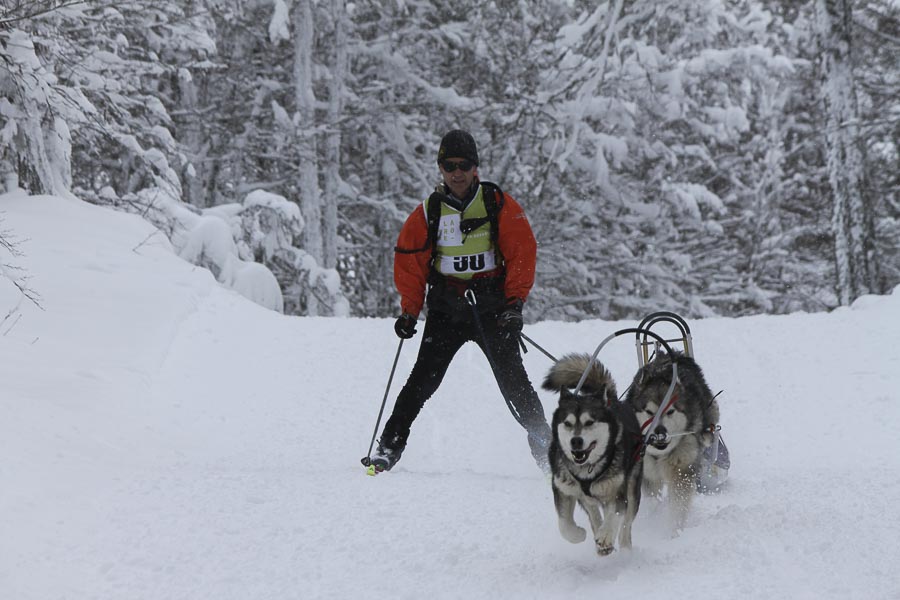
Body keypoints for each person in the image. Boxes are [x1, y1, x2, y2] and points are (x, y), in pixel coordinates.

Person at [370, 129, 552, 474]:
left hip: (491, 310)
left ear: (475, 167)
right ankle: (387, 449)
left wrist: (514, 304)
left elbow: (521, 252)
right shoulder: (429, 211)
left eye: (464, 164)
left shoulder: (497, 203)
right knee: (421, 382)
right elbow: (410, 263)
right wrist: (409, 311)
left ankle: (547, 454)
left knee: (515, 383)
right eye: (449, 165)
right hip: (447, 310)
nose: (457, 172)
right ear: (440, 168)